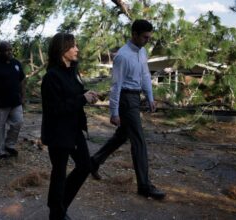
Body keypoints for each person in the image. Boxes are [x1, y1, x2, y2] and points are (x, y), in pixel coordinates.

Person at [90, 19, 166, 200]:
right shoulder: (123, 56)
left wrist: (150, 97)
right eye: (145, 37)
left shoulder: (142, 51)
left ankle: (93, 162)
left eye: (149, 37)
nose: (148, 40)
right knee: (139, 141)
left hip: (135, 97)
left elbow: (146, 75)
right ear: (134, 35)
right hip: (125, 99)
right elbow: (115, 85)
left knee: (122, 136)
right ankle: (144, 186)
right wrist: (113, 112)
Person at [41, 33, 98, 220]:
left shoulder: (74, 71)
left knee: (85, 166)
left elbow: (76, 94)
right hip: (57, 131)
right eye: (73, 46)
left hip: (74, 129)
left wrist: (88, 95)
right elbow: (55, 108)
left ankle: (58, 205)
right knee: (59, 172)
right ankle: (57, 212)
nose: (77, 49)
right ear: (62, 49)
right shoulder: (51, 77)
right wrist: (82, 99)